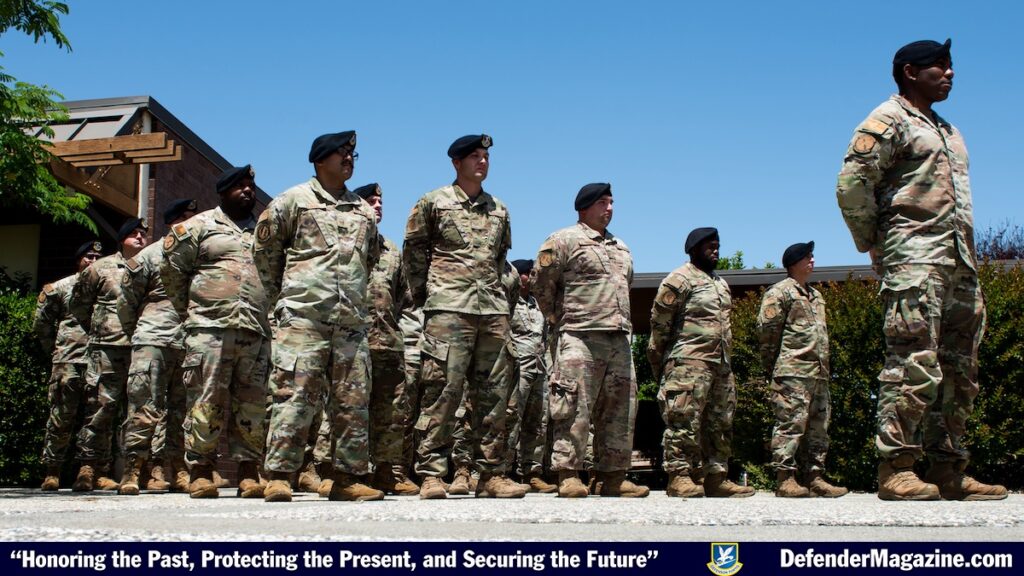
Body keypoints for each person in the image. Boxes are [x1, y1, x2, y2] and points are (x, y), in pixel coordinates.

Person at [836, 38, 1006, 501]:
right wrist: (875, 243)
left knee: (960, 369)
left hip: (959, 262)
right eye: (939, 66)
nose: (949, 74)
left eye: (951, 66)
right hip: (914, 259)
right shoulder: (888, 120)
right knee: (912, 363)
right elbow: (852, 183)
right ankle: (896, 468)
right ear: (910, 72)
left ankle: (949, 468)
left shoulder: (948, 130)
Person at [255, 132, 384, 502]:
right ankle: (280, 476)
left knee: (353, 401)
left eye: (352, 153)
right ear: (319, 159)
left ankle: (348, 478)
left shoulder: (362, 210)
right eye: (341, 153)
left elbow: (370, 259)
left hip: (351, 322)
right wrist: (286, 298)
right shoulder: (292, 201)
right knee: (293, 395)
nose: (349, 159)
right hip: (304, 317)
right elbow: (265, 253)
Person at [403, 134, 524, 499]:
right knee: (442, 391)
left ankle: (491, 475)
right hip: (449, 309)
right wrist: (430, 298)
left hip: (492, 311)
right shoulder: (433, 202)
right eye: (474, 156)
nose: (482, 161)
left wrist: (498, 299)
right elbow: (414, 255)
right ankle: (431, 475)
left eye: (485, 156)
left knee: (495, 396)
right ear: (456, 163)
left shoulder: (499, 209)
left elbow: (500, 261)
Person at [161, 166, 271, 499]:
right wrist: (193, 311)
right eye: (240, 186)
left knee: (252, 404)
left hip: (254, 330)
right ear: (222, 192)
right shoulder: (198, 227)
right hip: (209, 329)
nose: (248, 190)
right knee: (205, 400)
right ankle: (200, 470)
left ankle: (249, 472)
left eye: (251, 186)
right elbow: (172, 273)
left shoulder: (264, 232)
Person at [533, 183, 648, 498]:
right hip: (579, 336)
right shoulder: (563, 240)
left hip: (618, 339)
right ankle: (568, 474)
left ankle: (612, 476)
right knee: (572, 407)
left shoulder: (621, 247)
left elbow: (625, 285)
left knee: (621, 409)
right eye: (602, 202)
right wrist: (558, 319)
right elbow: (542, 285)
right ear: (584, 207)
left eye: (611, 202)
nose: (609, 208)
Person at [648, 227, 752, 498]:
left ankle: (716, 477)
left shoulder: (720, 284)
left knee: (720, 423)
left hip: (721, 365)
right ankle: (679, 476)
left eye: (717, 246)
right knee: (683, 422)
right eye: (709, 246)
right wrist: (665, 366)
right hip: (688, 363)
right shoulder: (679, 279)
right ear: (693, 249)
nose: (715, 251)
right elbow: (659, 326)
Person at [116, 199, 198, 495]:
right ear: (173, 222)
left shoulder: (200, 256)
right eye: (188, 217)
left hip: (188, 340)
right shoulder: (151, 255)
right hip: (153, 338)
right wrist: (138, 333)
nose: (194, 222)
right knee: (144, 406)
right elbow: (126, 301)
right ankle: (133, 470)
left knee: (182, 412)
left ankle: (177, 470)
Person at [757, 241, 847, 498]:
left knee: (819, 427)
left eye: (812, 256)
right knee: (790, 423)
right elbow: (767, 333)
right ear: (793, 262)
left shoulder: (816, 296)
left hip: (818, 372)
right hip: (792, 371)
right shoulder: (780, 292)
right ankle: (785, 478)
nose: (812, 261)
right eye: (807, 257)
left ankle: (815, 477)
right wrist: (775, 366)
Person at [69, 217, 148, 491]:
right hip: (107, 347)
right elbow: (78, 304)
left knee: (137, 411)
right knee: (101, 407)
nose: (140, 237)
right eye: (134, 233)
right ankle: (89, 468)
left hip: (141, 346)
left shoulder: (151, 266)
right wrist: (98, 328)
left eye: (143, 233)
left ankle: (131, 470)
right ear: (122, 239)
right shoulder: (100, 268)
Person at [353, 182, 418, 496]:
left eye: (380, 201)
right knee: (348, 407)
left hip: (388, 341)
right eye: (371, 200)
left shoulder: (392, 250)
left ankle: (385, 472)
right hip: (353, 339)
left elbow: (404, 297)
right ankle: (335, 471)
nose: (378, 205)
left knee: (391, 410)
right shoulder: (344, 243)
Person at [34, 240, 102, 490]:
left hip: (99, 359)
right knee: (61, 416)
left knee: (95, 418)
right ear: (78, 260)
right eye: (88, 257)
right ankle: (52, 471)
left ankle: (87, 471)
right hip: (69, 360)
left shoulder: (106, 286)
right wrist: (54, 349)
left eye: (97, 257)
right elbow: (42, 323)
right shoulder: (61, 288)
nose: (93, 261)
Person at [506, 259, 556, 493]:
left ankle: (532, 472)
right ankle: (502, 470)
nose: (531, 277)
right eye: (528, 273)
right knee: (511, 419)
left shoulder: (538, 305)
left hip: (539, 369)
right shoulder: (508, 301)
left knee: (538, 422)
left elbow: (545, 338)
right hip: (518, 368)